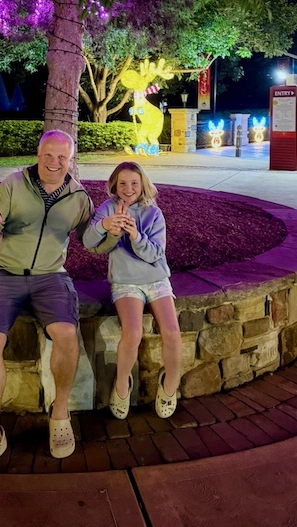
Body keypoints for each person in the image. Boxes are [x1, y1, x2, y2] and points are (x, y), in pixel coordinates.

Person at [0, 129, 93, 478]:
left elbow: (92, 241)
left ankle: (59, 414)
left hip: (51, 276)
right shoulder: (13, 184)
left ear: (71, 160)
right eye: (48, 155)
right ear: (38, 154)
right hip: (5, 273)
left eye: (62, 157)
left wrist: (110, 230)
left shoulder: (79, 197)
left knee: (67, 335)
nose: (54, 163)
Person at [83, 161, 182, 420]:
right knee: (133, 332)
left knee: (172, 333)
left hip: (156, 278)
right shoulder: (107, 209)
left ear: (143, 185)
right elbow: (89, 242)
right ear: (115, 185)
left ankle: (170, 385)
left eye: (134, 183)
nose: (128, 189)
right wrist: (106, 226)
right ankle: (122, 384)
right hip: (125, 281)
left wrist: (136, 235)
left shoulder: (154, 213)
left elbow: (155, 254)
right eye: (123, 183)